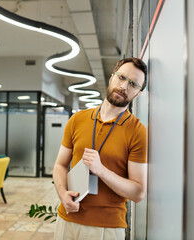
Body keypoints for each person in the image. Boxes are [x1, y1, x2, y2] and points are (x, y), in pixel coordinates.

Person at [53, 57, 148, 240]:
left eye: (133, 84)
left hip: (107, 228)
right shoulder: (78, 119)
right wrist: (62, 193)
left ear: (138, 93)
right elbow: (60, 165)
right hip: (68, 219)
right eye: (121, 78)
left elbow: (138, 192)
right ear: (112, 77)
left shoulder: (137, 131)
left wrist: (101, 170)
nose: (124, 87)